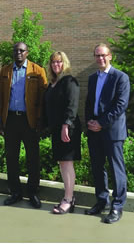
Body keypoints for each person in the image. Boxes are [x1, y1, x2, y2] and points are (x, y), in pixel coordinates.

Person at [0, 42, 47, 208]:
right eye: (16, 50)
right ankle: (15, 192)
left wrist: (39, 120)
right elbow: (0, 97)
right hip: (10, 120)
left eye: (21, 50)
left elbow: (42, 98)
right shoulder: (5, 70)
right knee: (11, 158)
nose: (18, 53)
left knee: (33, 157)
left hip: (29, 121)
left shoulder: (37, 71)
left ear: (27, 52)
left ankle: (32, 192)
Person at [84, 43, 130, 224]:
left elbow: (121, 105)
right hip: (94, 130)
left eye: (103, 55)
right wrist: (90, 122)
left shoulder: (120, 77)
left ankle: (117, 207)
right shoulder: (92, 78)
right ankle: (102, 201)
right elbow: (89, 102)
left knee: (116, 169)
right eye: (97, 56)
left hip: (112, 131)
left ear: (110, 56)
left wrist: (101, 123)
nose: (100, 59)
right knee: (97, 168)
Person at [44, 51, 81, 214]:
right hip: (57, 129)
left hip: (68, 129)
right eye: (53, 62)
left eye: (59, 62)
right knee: (62, 163)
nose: (56, 64)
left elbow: (72, 105)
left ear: (64, 63)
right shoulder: (52, 83)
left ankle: (68, 199)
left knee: (67, 162)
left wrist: (66, 125)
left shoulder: (69, 81)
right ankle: (68, 197)